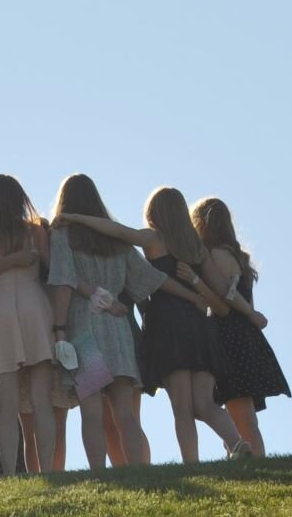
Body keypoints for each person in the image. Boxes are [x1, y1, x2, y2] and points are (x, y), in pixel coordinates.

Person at [49, 187, 249, 461]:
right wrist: (194, 295)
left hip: (86, 330)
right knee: (126, 413)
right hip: (122, 331)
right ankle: (141, 469)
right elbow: (155, 278)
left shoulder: (65, 236)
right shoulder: (124, 245)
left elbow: (65, 281)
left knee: (92, 410)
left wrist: (59, 329)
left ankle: (101, 473)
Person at [192, 195, 291, 456]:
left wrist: (250, 314)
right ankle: (243, 458)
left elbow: (228, 294)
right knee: (241, 411)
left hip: (229, 333)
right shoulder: (239, 257)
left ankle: (253, 463)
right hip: (244, 334)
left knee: (240, 411)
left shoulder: (216, 255)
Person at [0, 174, 58, 476]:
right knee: (41, 400)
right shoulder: (35, 232)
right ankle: (46, 469)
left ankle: (9, 472)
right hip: (35, 305)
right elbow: (53, 266)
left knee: (7, 404)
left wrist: (1, 264)